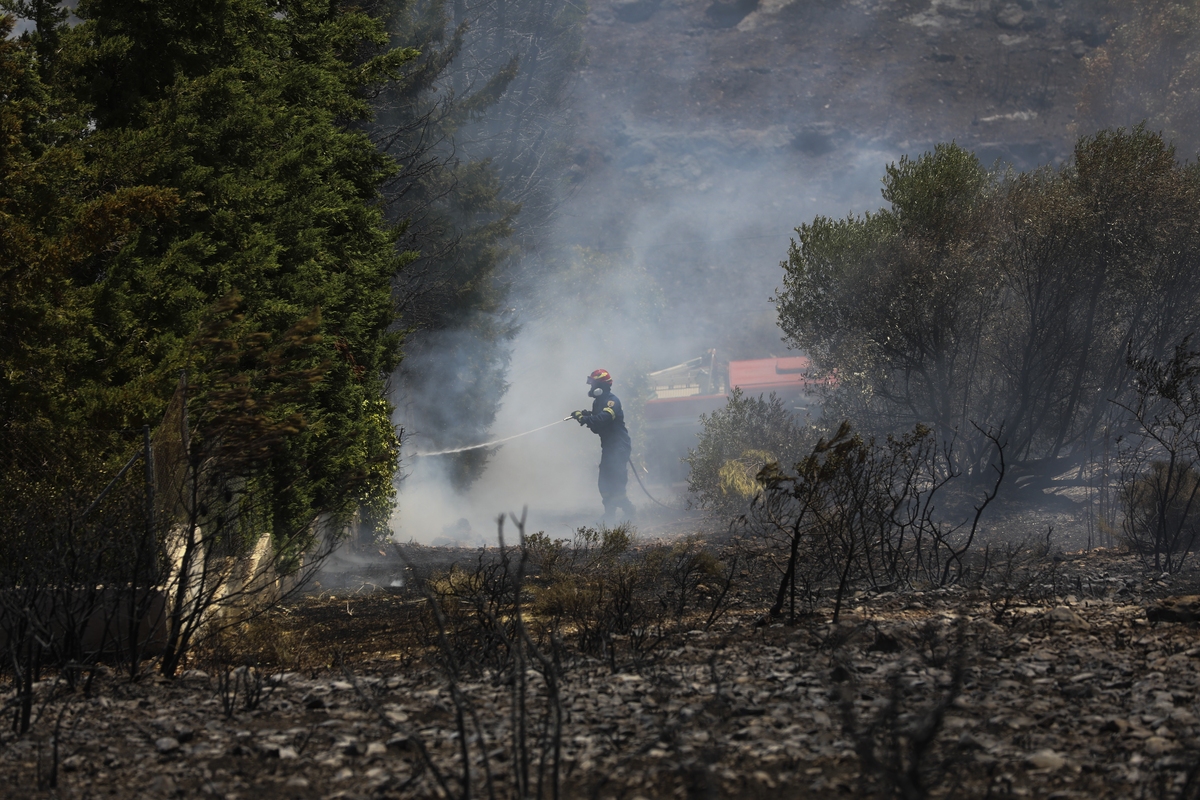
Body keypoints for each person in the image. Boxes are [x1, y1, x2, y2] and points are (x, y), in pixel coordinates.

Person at [572, 369, 636, 521]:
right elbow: (596, 427)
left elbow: (604, 418)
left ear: (601, 385)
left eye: (593, 384)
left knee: (616, 480)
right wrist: (587, 416)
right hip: (608, 447)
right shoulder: (597, 402)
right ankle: (610, 513)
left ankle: (629, 510)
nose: (591, 387)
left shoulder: (612, 401)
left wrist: (585, 419)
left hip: (619, 446)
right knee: (604, 482)